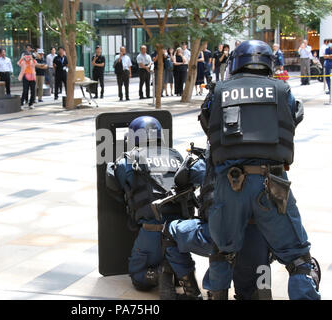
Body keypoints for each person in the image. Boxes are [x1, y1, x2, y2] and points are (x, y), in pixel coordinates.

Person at [199, 39, 320, 300]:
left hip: (228, 184)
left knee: (222, 251)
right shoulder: (281, 89)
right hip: (272, 183)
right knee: (298, 259)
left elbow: (207, 122)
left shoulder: (219, 90)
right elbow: (293, 117)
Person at [106, 116, 202, 299]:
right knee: (181, 270)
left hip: (151, 232)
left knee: (139, 279)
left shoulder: (127, 160)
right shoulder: (176, 155)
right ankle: (174, 272)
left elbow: (115, 187)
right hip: (180, 232)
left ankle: (160, 272)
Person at [161, 149, 273, 300]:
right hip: (257, 240)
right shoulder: (268, 159)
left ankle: (194, 293)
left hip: (219, 236)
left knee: (170, 231)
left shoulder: (205, 159)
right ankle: (257, 291)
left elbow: (180, 179)